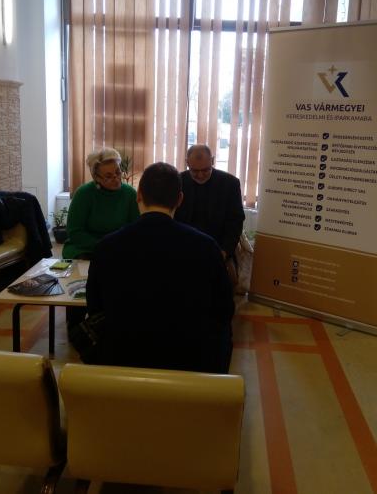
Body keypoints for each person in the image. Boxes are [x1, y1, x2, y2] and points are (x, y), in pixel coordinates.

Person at [86, 162, 235, 373]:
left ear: (138, 195)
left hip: (123, 360)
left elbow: (95, 307)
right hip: (190, 362)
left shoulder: (106, 246)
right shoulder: (206, 247)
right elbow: (224, 310)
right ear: (180, 199)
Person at [174, 144, 245, 270]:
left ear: (212, 161)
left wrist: (225, 251)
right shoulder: (178, 182)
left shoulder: (230, 183)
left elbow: (235, 221)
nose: (200, 175)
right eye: (195, 171)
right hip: (183, 250)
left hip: (218, 248)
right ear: (187, 163)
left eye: (205, 170)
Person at [62, 147, 139, 260]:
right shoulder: (84, 194)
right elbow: (75, 231)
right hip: (87, 247)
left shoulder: (130, 193)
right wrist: (103, 246)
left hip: (119, 246)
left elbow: (136, 228)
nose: (116, 178)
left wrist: (119, 246)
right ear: (96, 178)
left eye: (118, 172)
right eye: (108, 176)